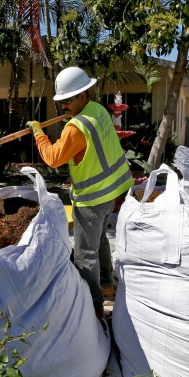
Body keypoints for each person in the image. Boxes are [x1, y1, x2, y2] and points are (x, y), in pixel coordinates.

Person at [26, 66, 134, 319]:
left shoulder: (75, 128)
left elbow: (52, 158)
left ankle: (94, 307)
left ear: (83, 96)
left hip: (92, 199)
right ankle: (107, 284)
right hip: (112, 193)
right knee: (100, 241)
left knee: (85, 255)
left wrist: (39, 133)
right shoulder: (97, 111)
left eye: (68, 100)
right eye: (61, 101)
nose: (64, 105)